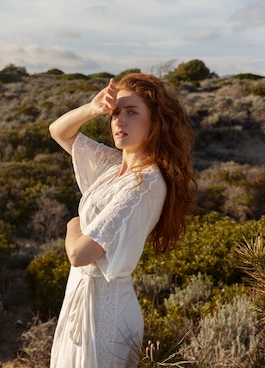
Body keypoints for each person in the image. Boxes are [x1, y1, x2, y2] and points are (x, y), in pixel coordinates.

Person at [48, 73, 196, 367]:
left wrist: (72, 225)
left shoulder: (146, 183)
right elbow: (58, 131)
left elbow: (80, 254)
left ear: (155, 122)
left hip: (106, 313)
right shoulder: (113, 164)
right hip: (81, 298)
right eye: (115, 113)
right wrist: (92, 109)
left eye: (131, 112)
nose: (119, 121)